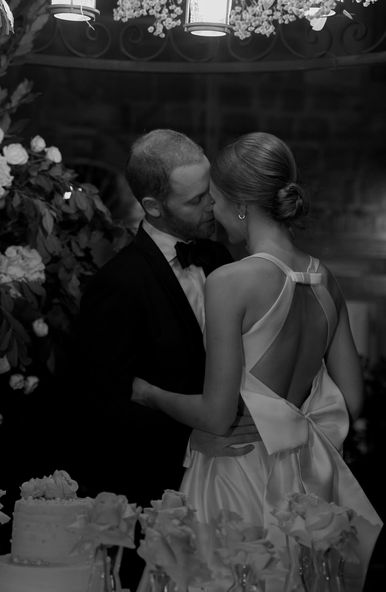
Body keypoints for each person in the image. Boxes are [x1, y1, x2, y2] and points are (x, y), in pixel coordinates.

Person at [131, 132, 383, 590]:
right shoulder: (325, 278)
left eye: (214, 198)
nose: (210, 208)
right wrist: (286, 413)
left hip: (235, 474)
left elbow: (216, 414)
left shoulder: (232, 280)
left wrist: (147, 393)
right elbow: (353, 401)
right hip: (305, 487)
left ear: (240, 204)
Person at [69, 129, 257, 590]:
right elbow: (103, 411)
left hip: (229, 482)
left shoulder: (219, 256)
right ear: (154, 207)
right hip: (155, 494)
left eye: (209, 193)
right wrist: (200, 427)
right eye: (195, 201)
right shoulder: (118, 284)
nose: (211, 206)